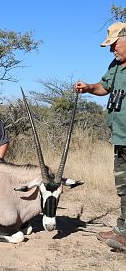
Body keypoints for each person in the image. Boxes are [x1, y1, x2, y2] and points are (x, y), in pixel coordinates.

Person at [74, 22, 126, 251]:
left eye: (114, 44)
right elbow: (103, 88)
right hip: (120, 137)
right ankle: (122, 230)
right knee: (124, 187)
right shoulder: (115, 65)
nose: (111, 49)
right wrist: (87, 88)